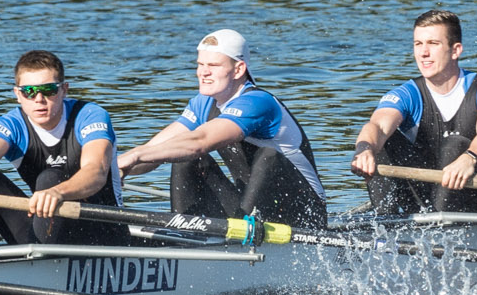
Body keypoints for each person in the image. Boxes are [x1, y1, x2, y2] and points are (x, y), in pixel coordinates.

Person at [117, 29, 328, 227]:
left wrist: (135, 155)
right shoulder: (204, 103)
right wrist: (112, 169)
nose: (203, 73)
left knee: (268, 154)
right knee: (184, 158)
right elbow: (155, 152)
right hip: (251, 208)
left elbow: (199, 143)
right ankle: (182, 236)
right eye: (200, 64)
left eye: (214, 65)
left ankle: (240, 232)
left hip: (304, 213)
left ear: (238, 69)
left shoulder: (258, 102)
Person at [0, 51, 130, 247]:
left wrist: (58, 192)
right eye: (29, 91)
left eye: (48, 90)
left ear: (64, 90)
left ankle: (38, 264)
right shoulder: (11, 124)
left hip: (104, 233)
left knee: (49, 178)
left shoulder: (90, 116)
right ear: (18, 95)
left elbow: (95, 172)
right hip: (45, 231)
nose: (39, 99)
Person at [347, 9, 477, 215]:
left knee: (455, 144)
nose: (423, 53)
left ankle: (439, 230)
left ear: (455, 50)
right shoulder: (407, 94)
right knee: (382, 143)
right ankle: (386, 226)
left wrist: (470, 158)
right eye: (418, 44)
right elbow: (377, 126)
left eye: (433, 44)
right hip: (429, 203)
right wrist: (365, 149)